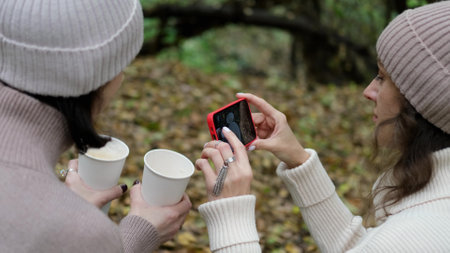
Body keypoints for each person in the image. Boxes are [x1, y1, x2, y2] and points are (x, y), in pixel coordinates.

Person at [196, 2, 450, 252]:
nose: (368, 91)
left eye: (383, 78)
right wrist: (299, 161)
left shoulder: (416, 236)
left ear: (425, 101)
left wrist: (231, 211)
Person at [0, 0, 191, 252]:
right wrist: (129, 241)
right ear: (103, 77)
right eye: (122, 66)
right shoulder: (83, 234)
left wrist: (64, 206)